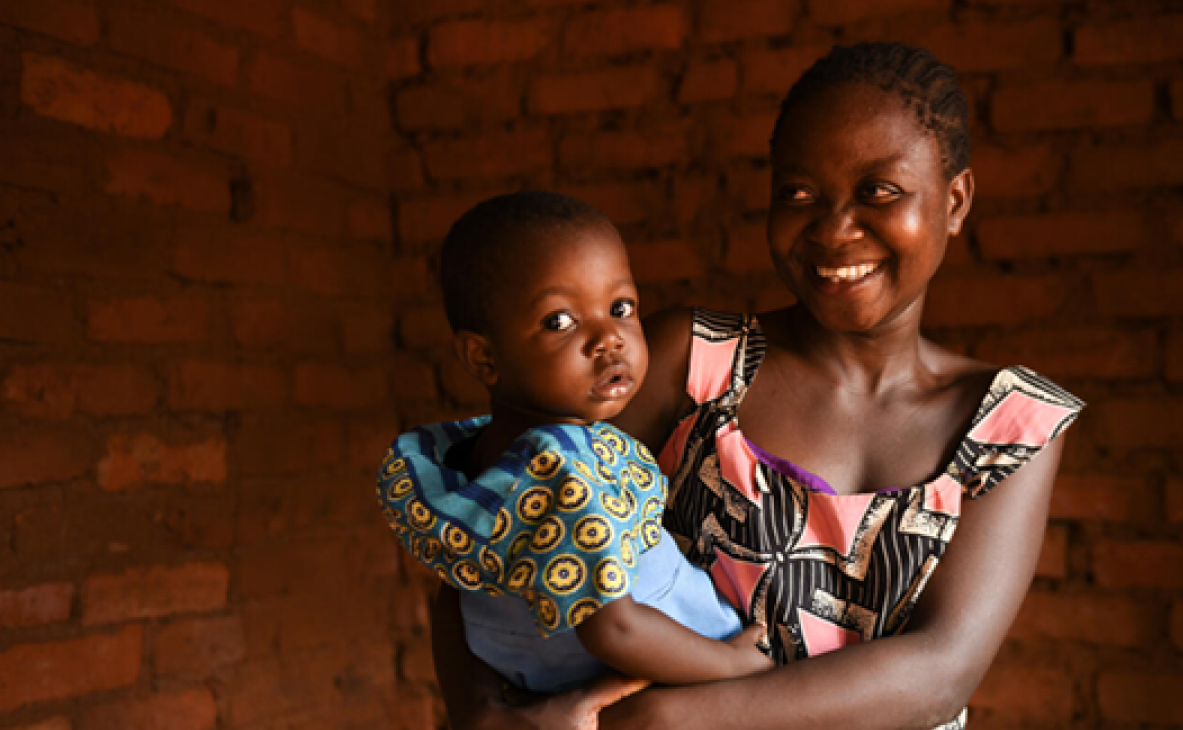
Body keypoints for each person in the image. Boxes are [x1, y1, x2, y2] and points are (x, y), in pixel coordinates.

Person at [428, 43, 1084, 730]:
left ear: (955, 200)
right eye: (799, 194)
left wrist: (662, 721)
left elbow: (940, 671)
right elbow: (493, 535)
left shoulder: (1008, 427)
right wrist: (480, 712)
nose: (834, 230)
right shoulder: (692, 365)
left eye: (878, 191)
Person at [377, 192, 772, 696]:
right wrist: (734, 665)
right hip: (680, 674)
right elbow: (614, 629)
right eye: (559, 321)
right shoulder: (568, 472)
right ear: (483, 358)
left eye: (621, 307)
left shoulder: (470, 460)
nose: (608, 338)